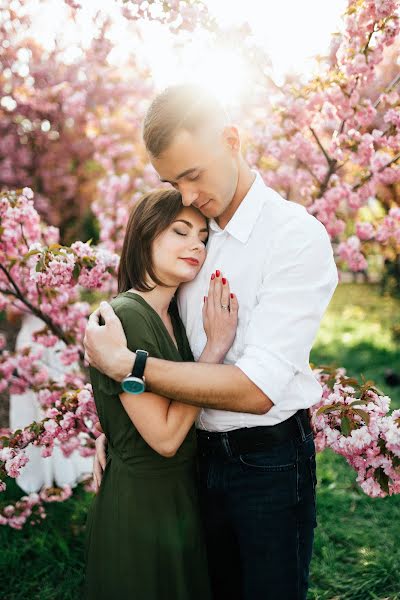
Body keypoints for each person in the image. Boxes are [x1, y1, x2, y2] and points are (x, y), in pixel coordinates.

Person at [84, 84, 339, 600]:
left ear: (231, 139)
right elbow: (155, 326)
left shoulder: (294, 236)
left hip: (265, 462)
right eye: (171, 182)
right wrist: (118, 424)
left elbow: (257, 389)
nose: (184, 196)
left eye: (192, 175)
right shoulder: (189, 236)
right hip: (191, 459)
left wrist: (127, 368)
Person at [85, 188, 239, 600]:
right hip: (143, 506)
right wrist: (215, 350)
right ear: (146, 235)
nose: (196, 246)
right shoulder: (129, 315)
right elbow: (166, 438)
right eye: (180, 231)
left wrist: (113, 433)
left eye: (203, 238)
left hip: (176, 498)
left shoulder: (170, 314)